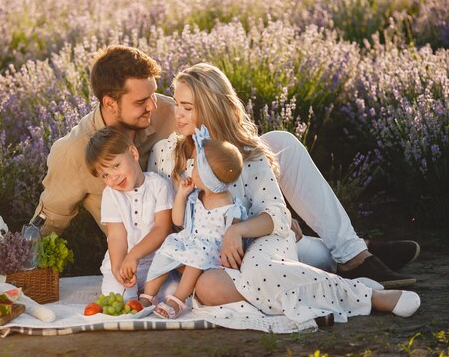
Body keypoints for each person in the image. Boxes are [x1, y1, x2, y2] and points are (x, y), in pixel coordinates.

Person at [31, 45, 418, 288]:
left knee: (279, 142)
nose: (156, 108)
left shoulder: (163, 108)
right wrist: (11, 263)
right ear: (109, 102)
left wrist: (263, 205)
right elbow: (44, 223)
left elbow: (225, 149)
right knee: (274, 246)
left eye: (155, 96)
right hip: (173, 238)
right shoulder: (75, 151)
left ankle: (353, 255)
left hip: (218, 206)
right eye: (141, 102)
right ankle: (347, 253)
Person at [147, 62, 420, 322]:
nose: (177, 114)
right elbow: (171, 223)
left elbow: (276, 215)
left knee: (262, 271)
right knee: (208, 289)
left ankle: (369, 296)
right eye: (176, 104)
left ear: (212, 109)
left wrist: (237, 230)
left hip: (260, 243)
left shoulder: (247, 154)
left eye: (187, 107)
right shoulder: (166, 154)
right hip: (211, 256)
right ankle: (328, 280)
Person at [140, 126, 247, 319]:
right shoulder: (196, 197)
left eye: (196, 167)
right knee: (167, 248)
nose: (191, 169)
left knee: (197, 257)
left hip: (210, 254)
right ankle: (148, 295)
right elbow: (177, 220)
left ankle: (177, 300)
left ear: (208, 177)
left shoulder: (230, 208)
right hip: (191, 241)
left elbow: (234, 239)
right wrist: (181, 195)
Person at [84, 125, 177, 300]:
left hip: (156, 264)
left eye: (116, 166)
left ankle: (149, 295)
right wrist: (118, 267)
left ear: (133, 154)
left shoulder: (158, 186)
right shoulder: (111, 195)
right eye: (104, 175)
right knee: (119, 296)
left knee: (172, 293)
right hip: (124, 262)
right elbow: (116, 236)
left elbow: (162, 229)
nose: (113, 178)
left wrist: (134, 256)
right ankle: (132, 292)